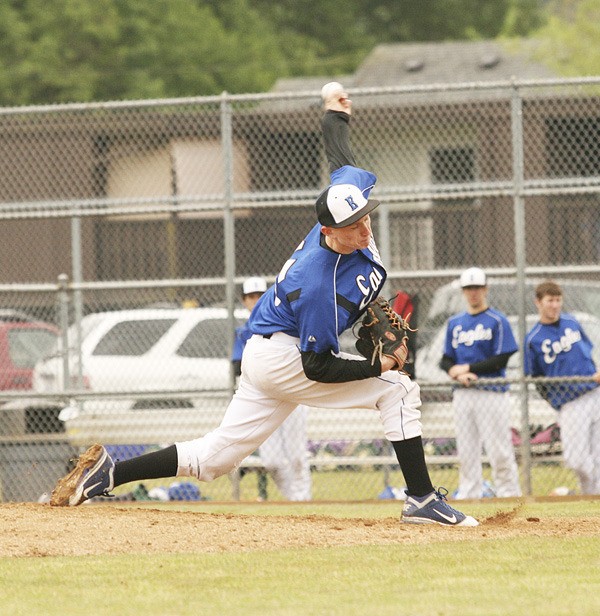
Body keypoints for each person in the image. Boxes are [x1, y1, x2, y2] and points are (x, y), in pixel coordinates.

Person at [49, 82, 478, 527]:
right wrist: (379, 367)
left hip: (265, 354)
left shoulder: (345, 209)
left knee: (215, 458)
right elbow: (316, 366)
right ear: (328, 232)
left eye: (365, 216)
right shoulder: (317, 283)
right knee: (400, 390)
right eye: (353, 226)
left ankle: (109, 473)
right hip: (286, 357)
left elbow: (341, 160)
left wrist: (335, 113)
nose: (364, 229)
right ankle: (422, 499)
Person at [440, 267, 522, 499]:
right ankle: (469, 494)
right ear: (463, 292)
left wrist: (468, 368)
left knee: (499, 449)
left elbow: (501, 359)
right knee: (466, 449)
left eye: (477, 288)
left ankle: (508, 493)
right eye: (468, 288)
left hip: (492, 391)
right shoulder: (455, 322)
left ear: (485, 289)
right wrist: (457, 373)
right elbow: (446, 360)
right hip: (463, 392)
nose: (473, 293)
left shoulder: (497, 320)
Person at [232, 276, 312, 501]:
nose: (255, 301)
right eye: (250, 297)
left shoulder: (284, 322)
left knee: (297, 455)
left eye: (260, 295)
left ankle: (302, 501)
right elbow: (238, 367)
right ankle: (294, 500)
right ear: (244, 300)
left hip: (292, 392)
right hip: (263, 395)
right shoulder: (244, 332)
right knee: (271, 461)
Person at [524, 280, 600, 494]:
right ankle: (589, 492)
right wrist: (554, 400)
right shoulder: (534, 338)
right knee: (576, 459)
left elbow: (587, 352)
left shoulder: (572, 322)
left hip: (594, 391)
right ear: (538, 302)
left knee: (598, 455)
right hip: (569, 402)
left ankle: (591, 501)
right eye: (550, 300)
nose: (555, 305)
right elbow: (537, 378)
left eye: (558, 300)